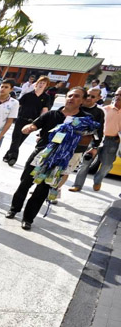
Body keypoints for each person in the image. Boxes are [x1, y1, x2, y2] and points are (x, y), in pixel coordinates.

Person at [7, 87, 100, 229]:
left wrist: (88, 144)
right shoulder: (52, 114)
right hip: (41, 155)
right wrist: (29, 127)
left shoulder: (85, 119)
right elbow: (35, 124)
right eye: (70, 95)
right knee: (25, 183)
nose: (72, 98)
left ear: (82, 100)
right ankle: (14, 209)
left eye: (76, 96)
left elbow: (92, 136)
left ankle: (28, 219)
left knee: (42, 189)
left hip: (61, 159)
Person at [70, 88, 120, 192]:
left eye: (120, 95)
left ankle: (98, 180)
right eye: (116, 95)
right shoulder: (104, 109)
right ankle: (77, 185)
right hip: (95, 139)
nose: (118, 97)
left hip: (112, 141)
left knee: (107, 165)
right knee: (85, 163)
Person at [3, 75, 51, 166]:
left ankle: (7, 156)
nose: (41, 85)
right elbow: (17, 105)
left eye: (43, 83)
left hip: (32, 122)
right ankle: (13, 157)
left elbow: (44, 111)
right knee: (16, 139)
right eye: (40, 83)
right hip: (21, 119)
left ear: (46, 86)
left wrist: (41, 123)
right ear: (36, 84)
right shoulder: (28, 95)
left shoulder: (46, 98)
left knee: (20, 140)